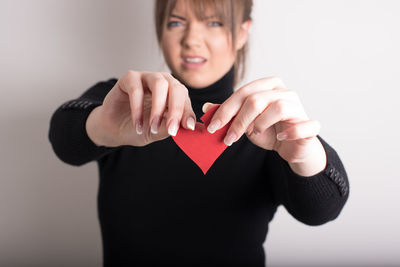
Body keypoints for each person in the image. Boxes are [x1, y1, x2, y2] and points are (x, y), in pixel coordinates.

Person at [48, 0, 350, 266]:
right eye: (176, 22)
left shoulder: (268, 124)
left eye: (214, 22)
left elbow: (321, 210)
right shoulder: (127, 101)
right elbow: (63, 138)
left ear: (243, 32)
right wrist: (103, 126)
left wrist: (305, 154)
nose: (191, 39)